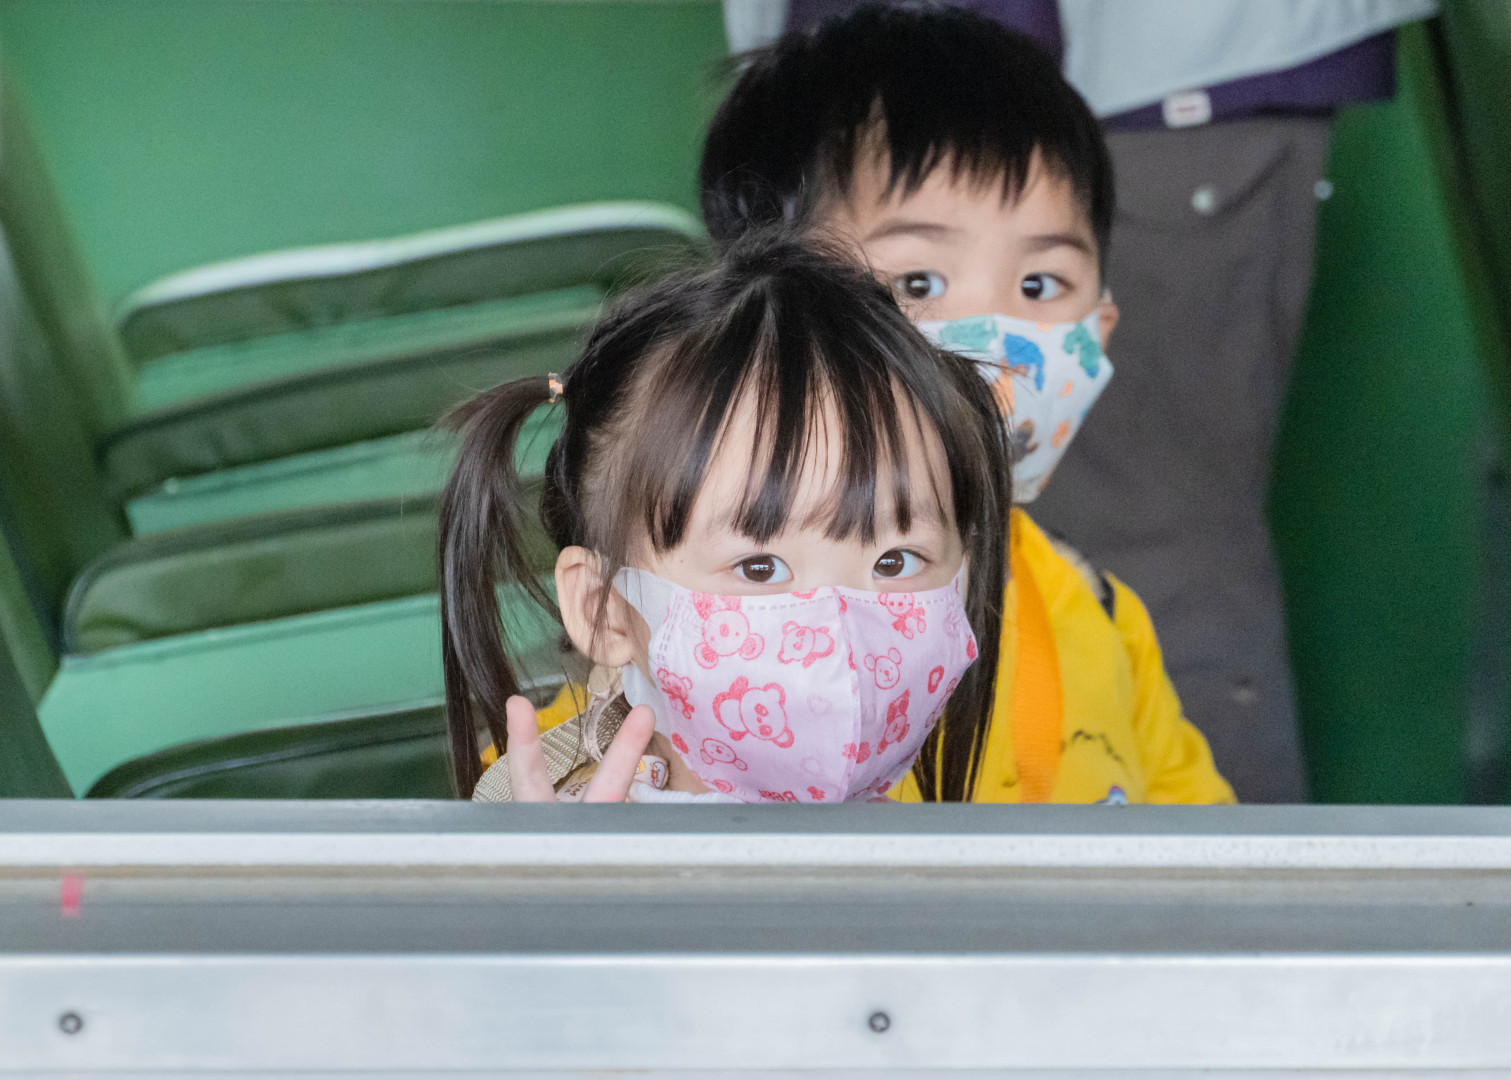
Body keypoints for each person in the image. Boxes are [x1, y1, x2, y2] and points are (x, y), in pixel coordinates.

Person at [693, 4, 1233, 803]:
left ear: (1099, 329)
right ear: (762, 317)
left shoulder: (1101, 612)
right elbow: (552, 787)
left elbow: (1197, 845)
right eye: (919, 281)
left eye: (1040, 284)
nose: (995, 337)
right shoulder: (718, 609)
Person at [441, 235, 1013, 801]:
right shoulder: (559, 849)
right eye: (760, 567)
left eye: (896, 560)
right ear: (604, 610)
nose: (839, 631)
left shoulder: (943, 852)